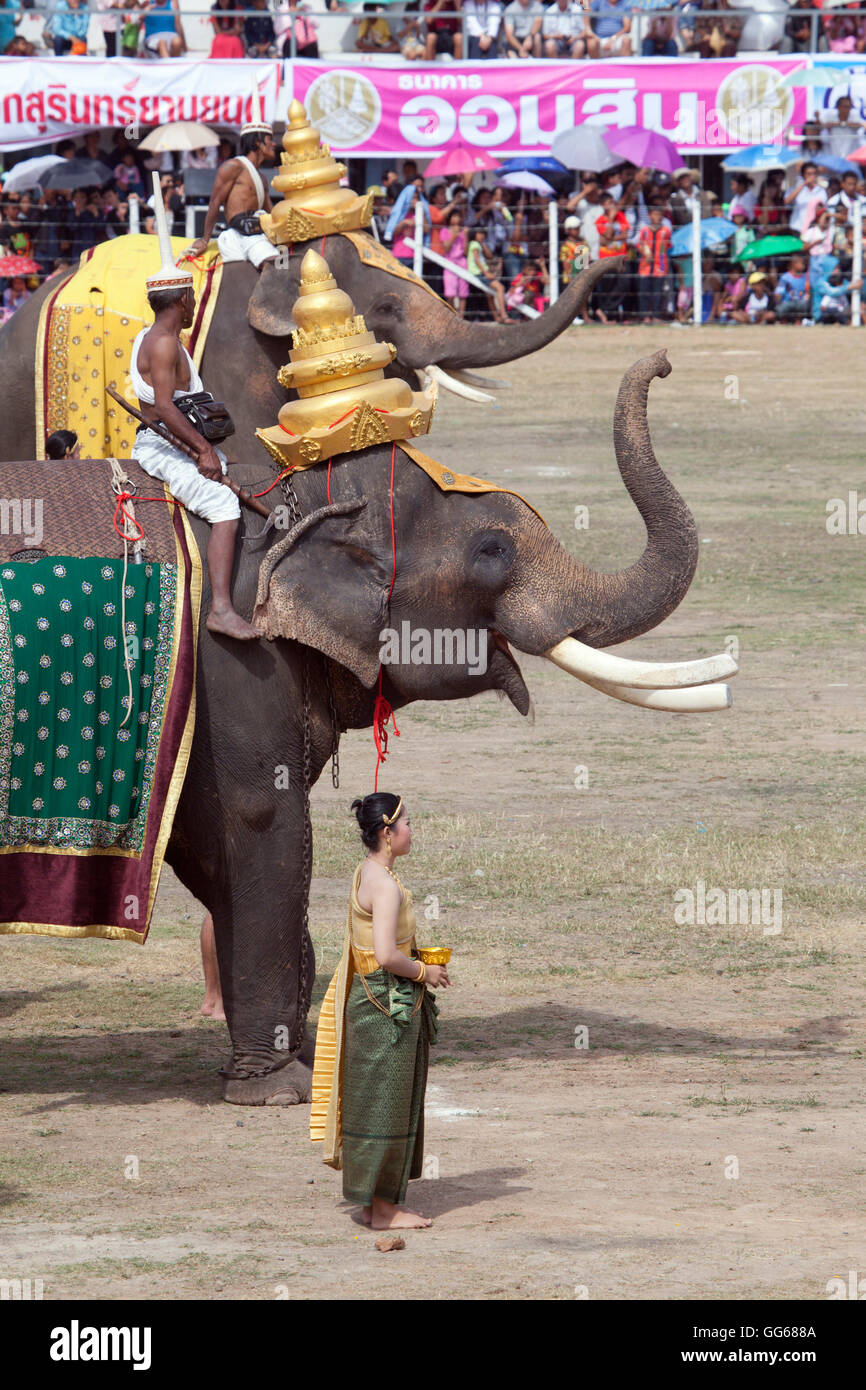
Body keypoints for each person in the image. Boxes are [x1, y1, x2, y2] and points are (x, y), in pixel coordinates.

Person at [310, 793, 448, 1231]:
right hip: (387, 1004)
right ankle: (385, 1210)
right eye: (407, 822)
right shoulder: (385, 885)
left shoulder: (365, 873)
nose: (412, 830)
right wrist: (425, 971)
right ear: (388, 833)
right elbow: (387, 955)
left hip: (368, 999)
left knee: (372, 1103)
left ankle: (374, 1203)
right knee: (386, 1105)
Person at [131, 177, 258, 641]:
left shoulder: (154, 338)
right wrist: (203, 450)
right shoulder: (163, 344)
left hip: (176, 440)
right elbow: (164, 407)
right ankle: (221, 609)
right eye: (190, 301)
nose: (190, 308)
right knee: (225, 504)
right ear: (183, 299)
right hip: (163, 446)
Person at [185, 95, 278, 270]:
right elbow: (215, 202)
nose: (273, 144)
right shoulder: (233, 166)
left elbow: (270, 211)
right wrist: (205, 239)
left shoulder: (262, 178)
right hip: (241, 235)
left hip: (258, 232)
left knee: (284, 263)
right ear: (258, 143)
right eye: (269, 140)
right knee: (274, 266)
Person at [635, 203, 670, 323]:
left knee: (658, 292)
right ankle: (645, 316)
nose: (657, 217)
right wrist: (646, 253)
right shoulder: (644, 230)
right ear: (650, 216)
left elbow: (668, 245)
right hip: (645, 265)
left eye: (660, 215)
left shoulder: (666, 230)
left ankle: (656, 316)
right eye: (655, 214)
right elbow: (640, 244)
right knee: (644, 292)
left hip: (660, 266)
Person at [467, 226, 507, 321]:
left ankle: (496, 317)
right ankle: (504, 315)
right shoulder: (475, 244)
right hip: (479, 272)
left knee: (489, 294)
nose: (482, 236)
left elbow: (489, 255)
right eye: (480, 234)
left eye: (483, 234)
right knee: (500, 288)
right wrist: (486, 273)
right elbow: (476, 260)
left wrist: (483, 244)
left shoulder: (478, 244)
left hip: (480, 272)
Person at [440, 208, 470, 315]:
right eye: (454, 216)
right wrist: (453, 236)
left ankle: (461, 316)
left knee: (463, 291)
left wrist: (465, 236)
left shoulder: (463, 232)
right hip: (449, 262)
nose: (456, 219)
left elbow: (465, 252)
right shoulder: (444, 231)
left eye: (458, 216)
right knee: (450, 292)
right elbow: (446, 248)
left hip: (461, 262)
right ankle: (451, 315)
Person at [784, 162, 826, 236]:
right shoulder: (796, 189)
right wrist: (804, 184)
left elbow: (822, 208)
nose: (812, 176)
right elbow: (787, 201)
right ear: (803, 175)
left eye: (814, 174)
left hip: (812, 229)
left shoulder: (821, 191)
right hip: (796, 227)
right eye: (809, 174)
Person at [774, 253, 811, 322]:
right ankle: (784, 321)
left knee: (804, 304)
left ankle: (798, 320)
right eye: (801, 263)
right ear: (793, 264)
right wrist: (778, 297)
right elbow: (779, 292)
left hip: (800, 302)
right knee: (782, 308)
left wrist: (807, 296)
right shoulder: (785, 277)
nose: (803, 265)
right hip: (787, 302)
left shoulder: (805, 277)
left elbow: (807, 291)